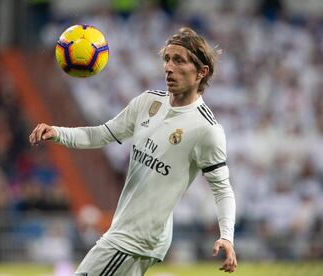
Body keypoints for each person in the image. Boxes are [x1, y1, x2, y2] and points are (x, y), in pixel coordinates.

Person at [29, 27, 237, 275]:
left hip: (136, 238)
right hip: (129, 232)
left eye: (179, 60)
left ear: (202, 72)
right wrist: (58, 132)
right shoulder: (148, 102)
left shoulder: (206, 129)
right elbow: (102, 134)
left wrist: (227, 236)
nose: (169, 68)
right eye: (167, 59)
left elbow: (222, 190)